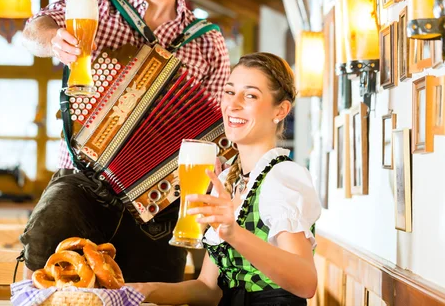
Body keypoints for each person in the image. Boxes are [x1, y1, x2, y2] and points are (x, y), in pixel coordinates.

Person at [19, 0, 230, 283]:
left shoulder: (207, 41)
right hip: (82, 183)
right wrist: (52, 38)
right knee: (48, 274)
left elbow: (215, 136)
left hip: (160, 205)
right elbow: (34, 29)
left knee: (147, 296)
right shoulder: (95, 1)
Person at [130, 53, 322, 305]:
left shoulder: (281, 177)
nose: (233, 104)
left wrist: (233, 233)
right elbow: (208, 288)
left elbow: (306, 283)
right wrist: (142, 291)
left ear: (281, 110)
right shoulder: (229, 180)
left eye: (250, 95)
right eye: (229, 92)